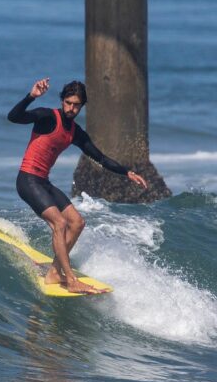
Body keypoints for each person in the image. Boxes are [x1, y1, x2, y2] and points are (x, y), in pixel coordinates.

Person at [8, 78, 148, 294]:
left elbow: (100, 157)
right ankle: (71, 279)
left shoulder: (75, 132)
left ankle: (55, 272)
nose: (71, 108)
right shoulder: (47, 117)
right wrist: (31, 97)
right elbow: (14, 117)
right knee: (60, 223)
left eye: (76, 105)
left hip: (43, 182)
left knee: (77, 222)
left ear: (82, 106)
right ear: (62, 101)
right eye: (68, 102)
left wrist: (127, 172)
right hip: (27, 180)